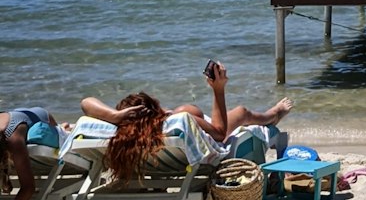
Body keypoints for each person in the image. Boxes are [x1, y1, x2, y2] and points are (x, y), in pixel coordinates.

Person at [81, 62, 292, 180]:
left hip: (169, 152)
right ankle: (273, 114)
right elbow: (219, 133)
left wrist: (116, 117)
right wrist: (218, 89)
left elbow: (86, 103)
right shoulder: (177, 121)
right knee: (242, 112)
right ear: (154, 110)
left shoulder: (121, 130)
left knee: (185, 109)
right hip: (205, 145)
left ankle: (271, 114)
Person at [0, 105, 59, 200]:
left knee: (58, 133)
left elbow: (28, 187)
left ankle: (63, 128)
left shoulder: (14, 139)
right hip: (16, 114)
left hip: (42, 117)